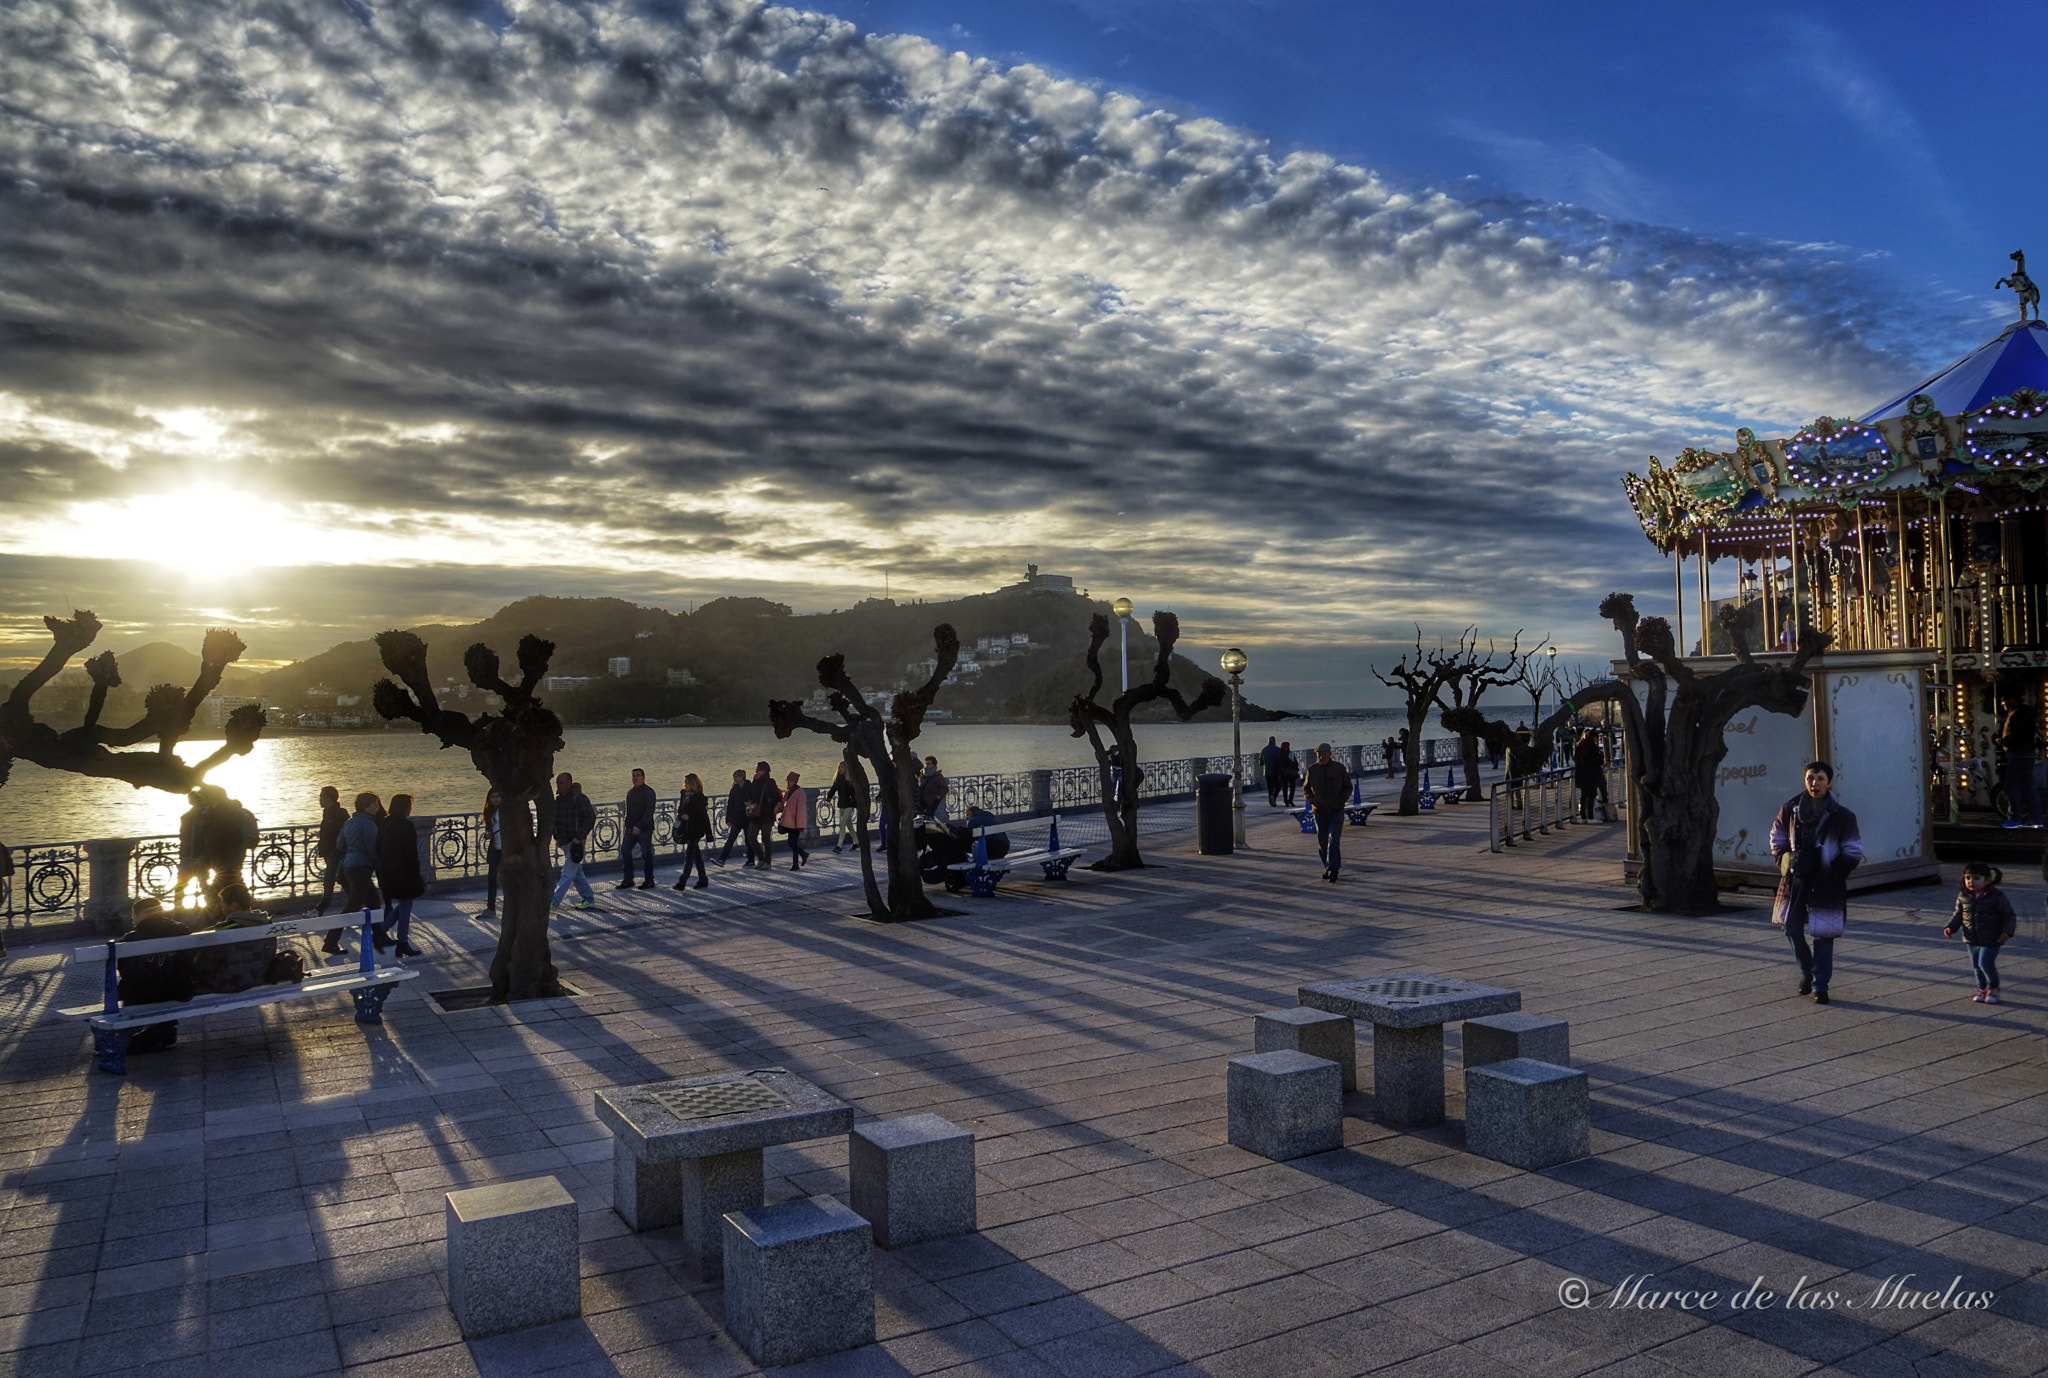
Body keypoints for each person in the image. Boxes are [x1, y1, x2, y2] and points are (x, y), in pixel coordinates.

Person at [1770, 760, 1863, 1005]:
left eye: (1820, 778)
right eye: (1811, 778)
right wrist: (1783, 860)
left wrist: (1836, 871)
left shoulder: (1842, 816)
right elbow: (1776, 837)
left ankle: (1820, 986)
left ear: (1829, 782)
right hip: (1795, 879)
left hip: (1826, 881)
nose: (1815, 783)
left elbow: (1853, 850)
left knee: (1823, 934)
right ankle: (1806, 972)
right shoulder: (1790, 809)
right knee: (1790, 927)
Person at [1944, 862, 2016, 1003]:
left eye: (1976, 878)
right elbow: (1959, 914)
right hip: (1971, 937)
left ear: (1987, 880)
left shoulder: (1996, 896)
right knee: (1976, 966)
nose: (1971, 882)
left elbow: (2009, 915)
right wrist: (1951, 927)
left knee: (1985, 964)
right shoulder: (1963, 896)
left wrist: (2007, 932)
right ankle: (1982, 989)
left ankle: (1993, 989)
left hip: (1992, 937)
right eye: (1968, 878)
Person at [329, 791, 382, 954]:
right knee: (353, 906)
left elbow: (340, 845)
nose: (377, 807)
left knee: (373, 901)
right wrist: (380, 866)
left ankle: (380, 936)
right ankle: (330, 941)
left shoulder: (350, 822)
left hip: (348, 867)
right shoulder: (368, 824)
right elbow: (372, 849)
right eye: (375, 803)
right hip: (361, 868)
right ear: (366, 806)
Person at [378, 794, 425, 957]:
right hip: (404, 872)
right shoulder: (405, 825)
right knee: (406, 906)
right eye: (409, 806)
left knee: (405, 905)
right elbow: (411, 852)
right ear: (405, 808)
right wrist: (417, 873)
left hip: (389, 871)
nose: (411, 809)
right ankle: (402, 941)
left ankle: (382, 931)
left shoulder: (385, 822)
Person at [1304, 743, 1353, 882]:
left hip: (1336, 810)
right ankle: (1328, 867)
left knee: (1334, 841)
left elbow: (1348, 787)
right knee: (1322, 842)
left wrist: (1341, 800)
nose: (1321, 757)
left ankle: (1334, 869)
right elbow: (1306, 788)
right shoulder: (1312, 770)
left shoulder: (1338, 768)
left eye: (1323, 754)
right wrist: (1311, 800)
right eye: (1318, 754)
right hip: (1319, 811)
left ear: (1330, 754)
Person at [550, 773, 596, 909]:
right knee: (577, 873)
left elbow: (590, 818)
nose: (559, 786)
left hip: (576, 843)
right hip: (564, 842)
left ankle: (553, 902)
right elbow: (557, 821)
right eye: (557, 783)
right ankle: (588, 898)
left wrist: (579, 837)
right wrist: (557, 837)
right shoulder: (558, 801)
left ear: (570, 783)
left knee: (567, 872)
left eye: (562, 783)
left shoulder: (579, 799)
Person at [1996, 699, 2042, 829]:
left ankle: (2015, 818)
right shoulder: (2024, 713)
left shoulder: (2018, 714)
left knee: (2011, 786)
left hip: (2019, 754)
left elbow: (2019, 734)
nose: (2002, 704)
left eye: (2003, 701)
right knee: (2028, 786)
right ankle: (2035, 819)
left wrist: (2004, 741)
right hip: (2025, 753)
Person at [618, 767, 657, 889]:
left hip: (644, 829)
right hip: (630, 828)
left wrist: (639, 826)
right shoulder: (630, 792)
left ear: (643, 778)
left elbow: (649, 811)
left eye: (638, 775)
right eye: (633, 776)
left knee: (646, 854)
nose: (635, 778)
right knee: (625, 850)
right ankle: (628, 879)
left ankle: (649, 880)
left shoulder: (649, 792)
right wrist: (627, 824)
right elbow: (629, 811)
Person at [313, 786, 348, 918]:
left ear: (328, 799)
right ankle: (356, 904)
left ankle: (320, 909)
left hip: (336, 854)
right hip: (329, 854)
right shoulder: (328, 813)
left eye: (321, 797)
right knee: (342, 880)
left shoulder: (339, 814)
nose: (319, 800)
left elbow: (344, 834)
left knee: (329, 881)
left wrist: (338, 850)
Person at [674, 773, 712, 890]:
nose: (685, 784)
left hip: (696, 829)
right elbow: (680, 810)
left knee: (689, 855)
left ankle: (682, 881)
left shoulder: (699, 797)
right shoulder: (684, 795)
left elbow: (703, 816)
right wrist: (682, 816)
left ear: (693, 783)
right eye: (685, 782)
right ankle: (703, 879)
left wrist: (709, 833)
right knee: (696, 855)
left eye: (687, 782)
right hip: (686, 828)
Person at [743, 762, 783, 870]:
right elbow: (751, 795)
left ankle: (767, 861)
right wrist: (749, 802)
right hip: (755, 814)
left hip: (767, 815)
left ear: (765, 771)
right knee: (751, 836)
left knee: (765, 838)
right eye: (756, 769)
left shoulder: (770, 782)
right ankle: (760, 858)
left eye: (758, 769)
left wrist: (767, 807)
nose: (756, 771)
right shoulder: (754, 782)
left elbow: (774, 798)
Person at [717, 769, 751, 866]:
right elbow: (730, 805)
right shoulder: (734, 790)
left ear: (741, 777)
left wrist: (747, 803)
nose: (734, 779)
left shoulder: (749, 787)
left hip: (748, 817)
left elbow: (753, 798)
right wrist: (728, 819)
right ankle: (722, 859)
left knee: (749, 840)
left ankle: (751, 859)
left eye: (736, 777)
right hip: (737, 818)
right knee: (731, 839)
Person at [780, 771, 811, 870]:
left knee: (793, 843)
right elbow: (783, 804)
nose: (789, 782)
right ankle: (803, 854)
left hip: (795, 824)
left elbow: (801, 810)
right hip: (789, 822)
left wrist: (800, 825)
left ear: (795, 782)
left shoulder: (799, 793)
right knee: (791, 843)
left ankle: (795, 864)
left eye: (791, 781)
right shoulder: (788, 791)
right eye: (788, 781)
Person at [1572, 730, 1604, 821]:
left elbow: (1575, 758)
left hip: (1581, 773)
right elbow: (1596, 760)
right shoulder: (1592, 747)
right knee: (1592, 795)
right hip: (1591, 774)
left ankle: (1583, 816)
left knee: (1584, 795)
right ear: (1594, 737)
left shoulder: (1580, 745)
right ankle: (1590, 816)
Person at [829, 761, 861, 853]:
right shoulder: (838, 779)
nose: (840, 769)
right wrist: (829, 797)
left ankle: (839, 846)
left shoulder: (850, 780)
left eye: (842, 767)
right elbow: (833, 789)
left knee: (842, 824)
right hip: (841, 804)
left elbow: (855, 791)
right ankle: (857, 842)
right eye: (839, 767)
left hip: (850, 804)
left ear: (846, 769)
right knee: (849, 824)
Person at [482, 788, 504, 915]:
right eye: (493, 797)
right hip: (495, 848)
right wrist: (487, 835)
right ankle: (491, 907)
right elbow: (487, 830)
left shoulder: (505, 811)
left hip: (506, 849)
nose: (496, 799)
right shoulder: (489, 812)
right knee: (491, 877)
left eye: (498, 796)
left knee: (508, 878)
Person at [919, 756, 950, 822]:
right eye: (926, 763)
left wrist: (938, 797)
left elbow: (945, 788)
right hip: (921, 801)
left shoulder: (938, 776)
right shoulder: (922, 774)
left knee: (929, 817)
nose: (927, 765)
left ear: (934, 765)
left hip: (932, 801)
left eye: (929, 763)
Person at [1276, 742, 1300, 809]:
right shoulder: (1291, 753)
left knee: (1285, 787)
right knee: (1292, 787)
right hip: (1292, 772)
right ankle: (1290, 800)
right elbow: (1295, 763)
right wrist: (1296, 770)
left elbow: (1279, 764)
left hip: (1284, 773)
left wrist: (1283, 770)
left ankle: (1286, 801)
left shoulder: (1280, 754)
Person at [1261, 736, 1283, 806]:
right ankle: (1274, 796)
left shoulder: (1264, 750)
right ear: (1274, 742)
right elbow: (1281, 761)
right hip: (1276, 772)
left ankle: (1271, 802)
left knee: (1269, 787)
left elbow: (1261, 762)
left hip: (1267, 772)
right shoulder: (1278, 750)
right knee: (1278, 786)